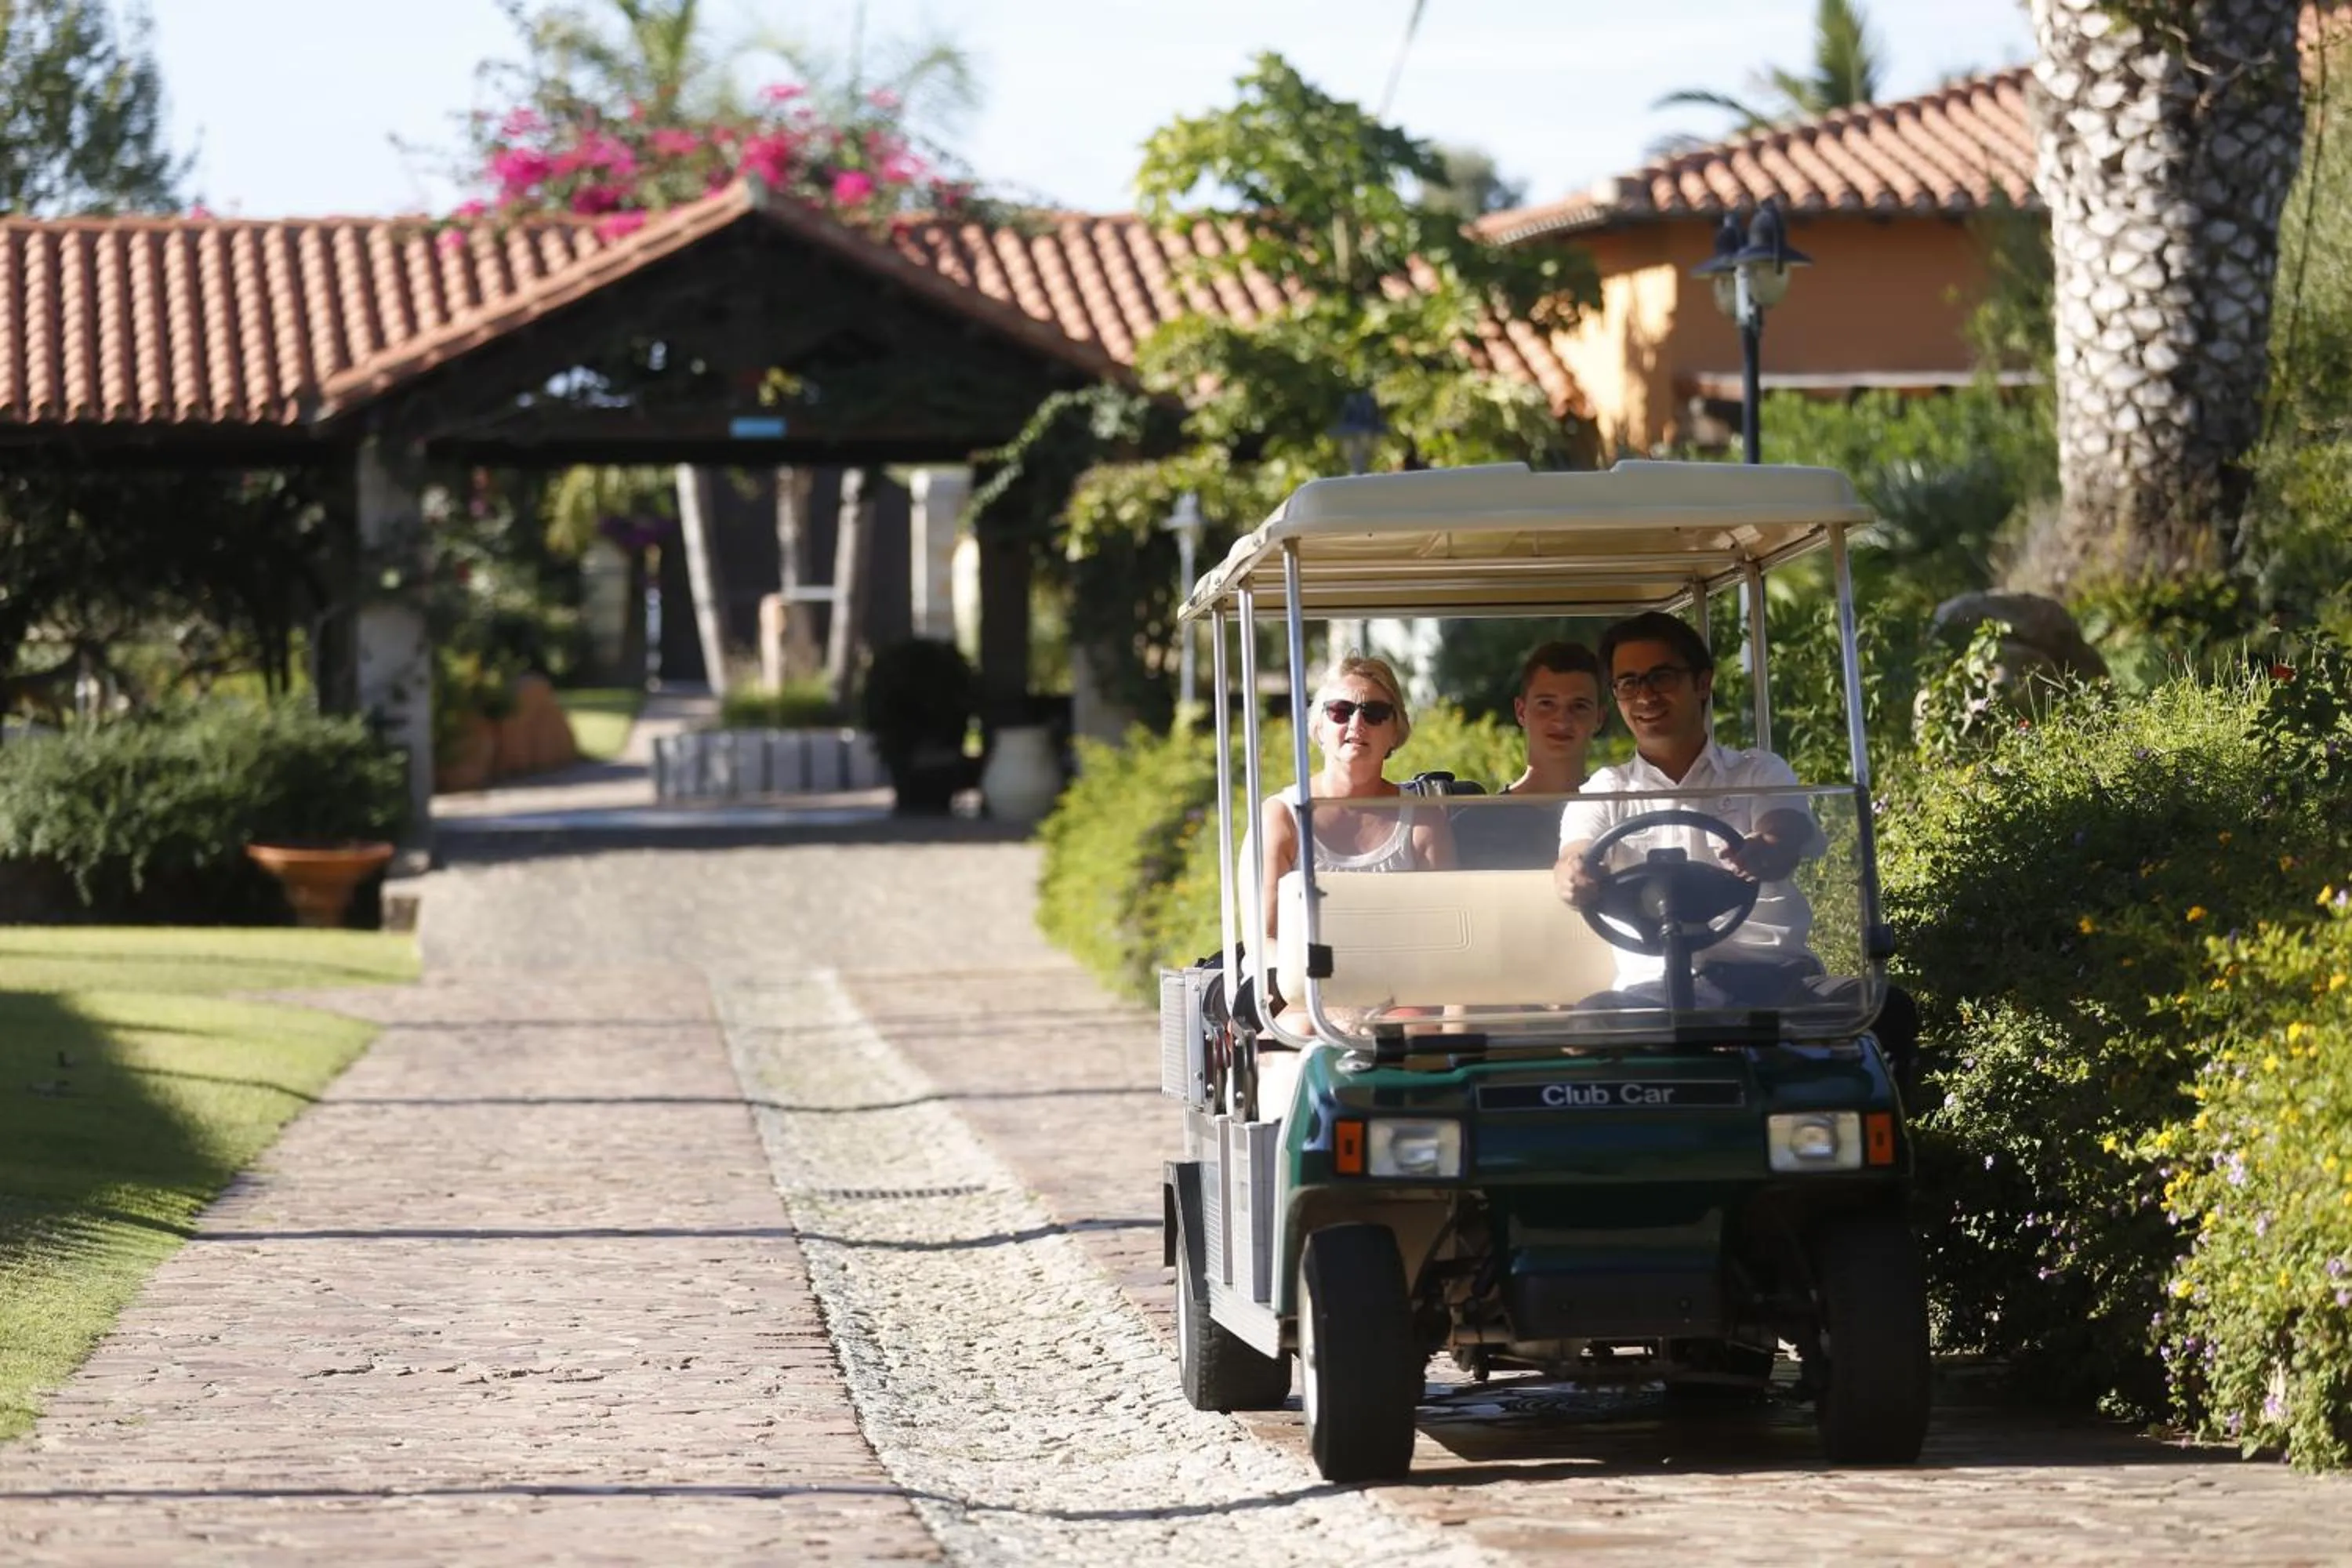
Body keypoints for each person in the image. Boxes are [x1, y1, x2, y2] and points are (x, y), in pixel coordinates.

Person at [1552, 611, 1919, 1080]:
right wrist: (1575, 876)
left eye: (1661, 677)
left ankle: (1841, 1124)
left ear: (1702, 683)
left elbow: (1784, 828)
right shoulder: (1605, 790)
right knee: (1590, 1025)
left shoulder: (1759, 771)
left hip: (1776, 982)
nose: (1645, 696)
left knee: (1887, 1009)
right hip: (1655, 992)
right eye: (1628, 683)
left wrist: (1767, 848)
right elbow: (1573, 858)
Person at [1452, 640, 1605, 870]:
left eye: (1579, 706)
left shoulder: (1617, 813)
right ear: (1521, 712)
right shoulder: (1472, 826)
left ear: (1599, 718)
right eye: (1547, 704)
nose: (1562, 720)